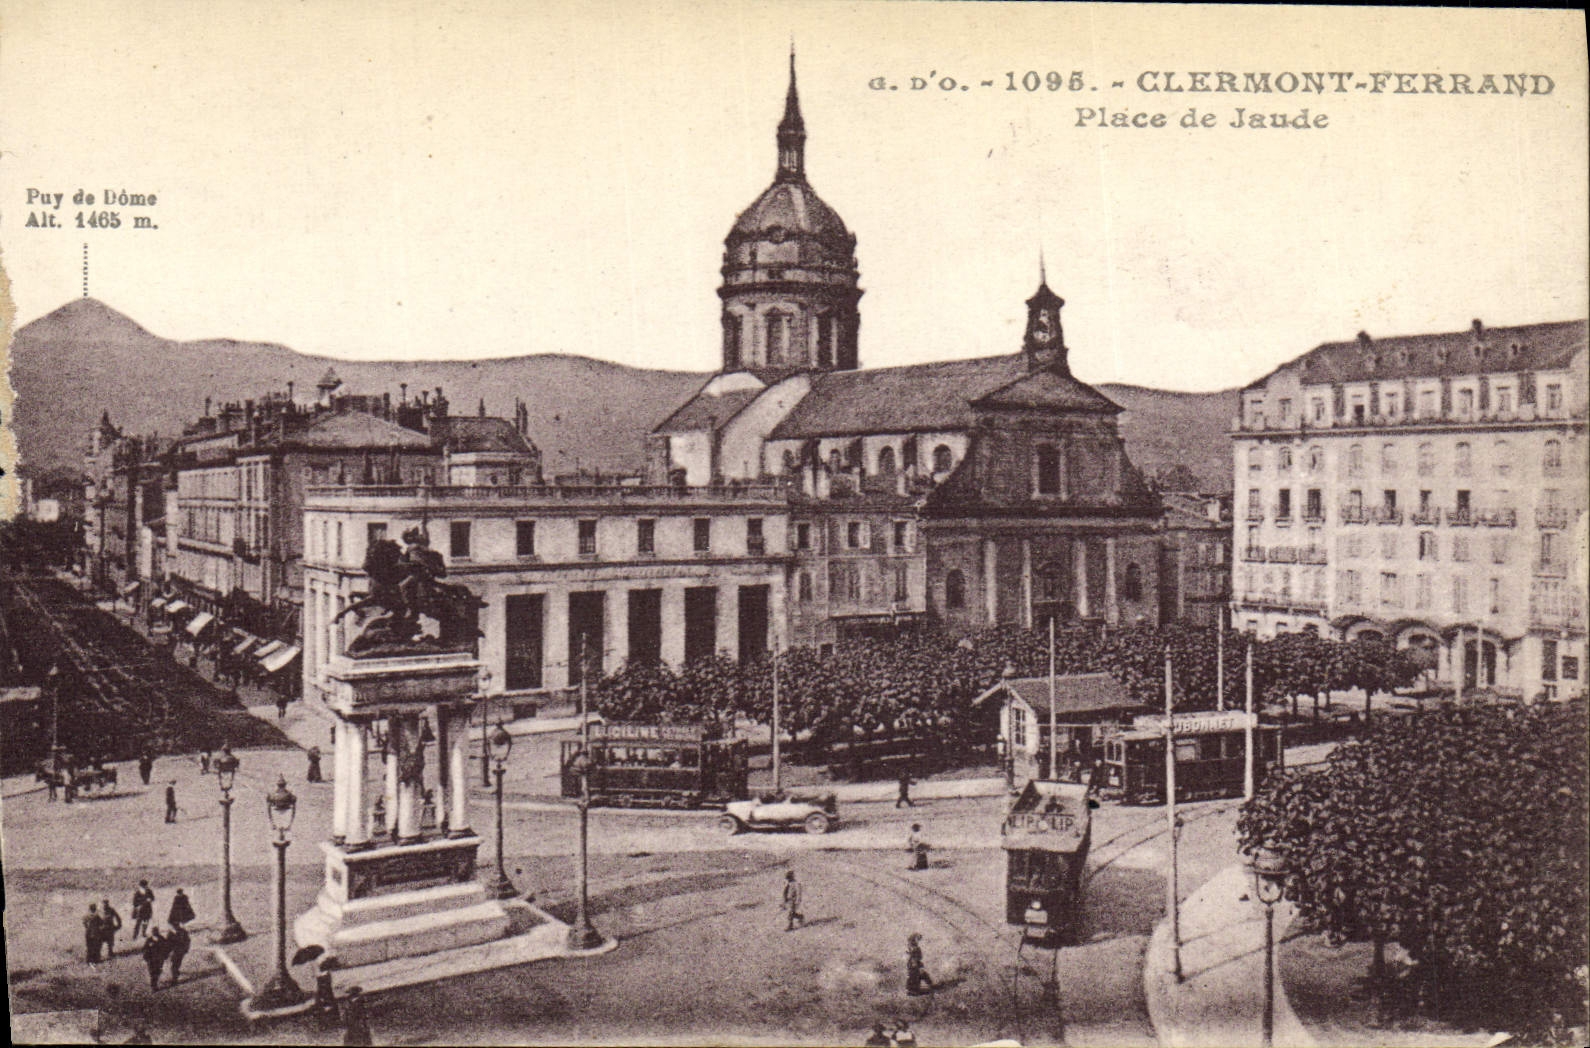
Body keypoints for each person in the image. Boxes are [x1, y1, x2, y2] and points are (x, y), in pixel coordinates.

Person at [315, 957, 342, 1026]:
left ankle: (327, 1021)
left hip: (324, 992)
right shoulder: (326, 975)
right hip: (327, 992)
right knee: (329, 1004)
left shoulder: (320, 975)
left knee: (326, 1005)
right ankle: (333, 1020)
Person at [165, 922, 191, 987]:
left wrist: (186, 949)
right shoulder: (173, 933)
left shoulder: (182, 932)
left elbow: (187, 941)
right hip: (176, 951)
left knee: (174, 966)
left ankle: (175, 980)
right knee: (176, 964)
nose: (174, 927)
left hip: (179, 951)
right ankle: (176, 974)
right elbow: (168, 943)